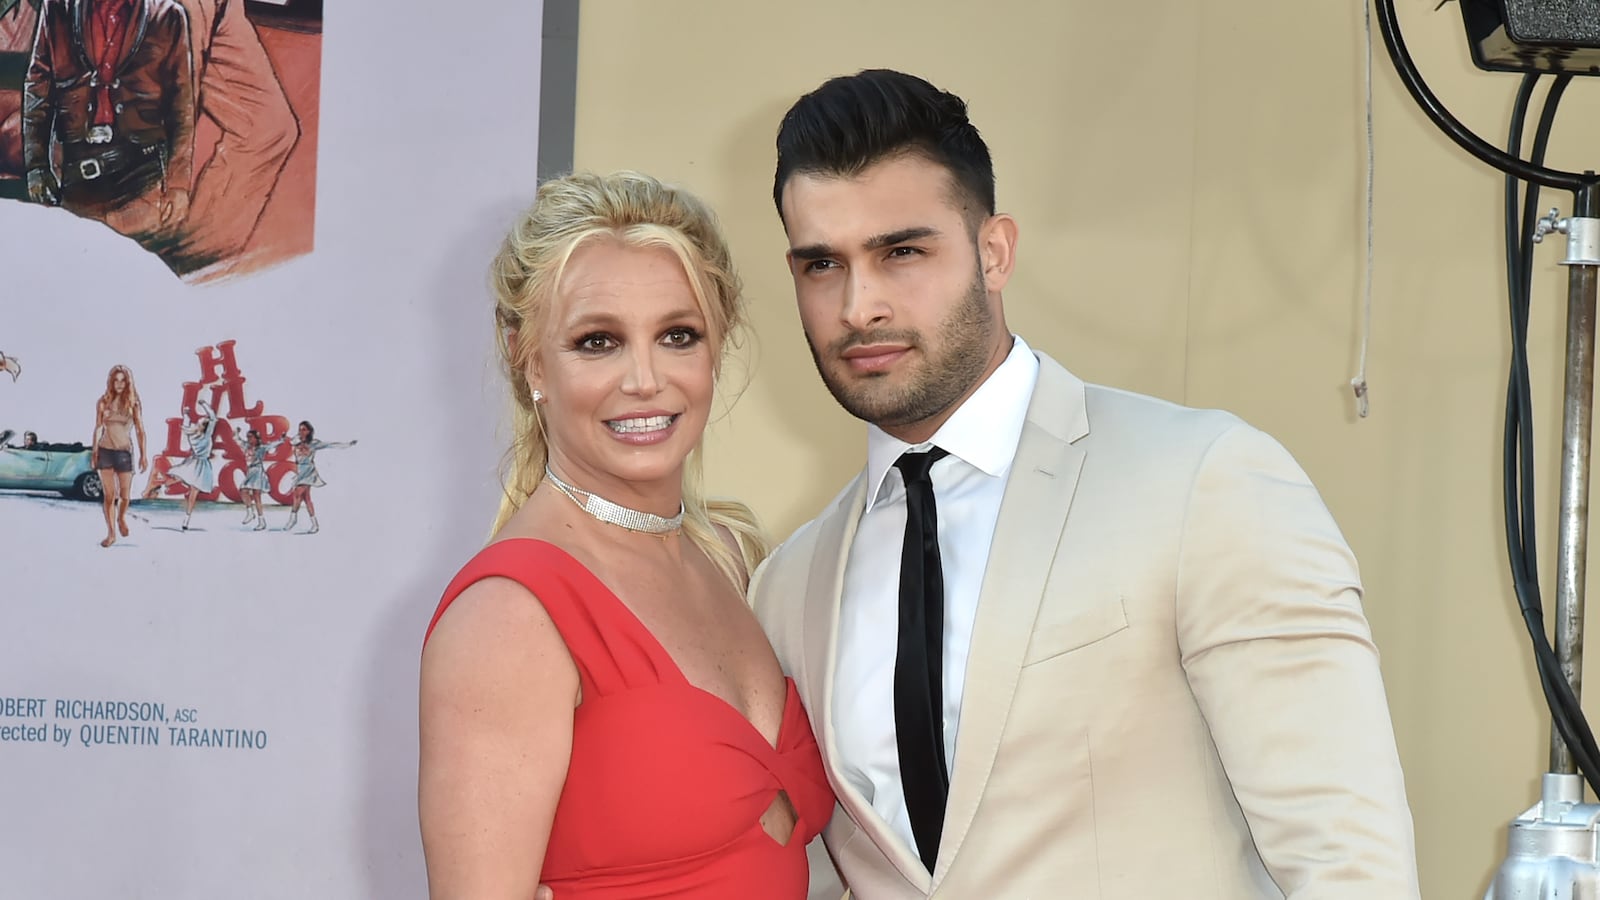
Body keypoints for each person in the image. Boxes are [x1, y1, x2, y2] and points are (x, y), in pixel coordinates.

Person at [749, 69, 1421, 898]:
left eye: (903, 252)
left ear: (994, 252)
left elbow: (1348, 860)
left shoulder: (1203, 480)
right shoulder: (787, 586)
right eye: (822, 264)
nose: (860, 305)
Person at [418, 171, 835, 899]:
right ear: (528, 358)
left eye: (678, 335)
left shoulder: (737, 560)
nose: (644, 380)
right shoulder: (507, 619)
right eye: (598, 341)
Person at [22, 0, 195, 248]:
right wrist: (36, 165)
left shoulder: (167, 16)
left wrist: (178, 185)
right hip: (77, 182)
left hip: (142, 179)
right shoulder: (58, 7)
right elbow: (39, 83)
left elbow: (182, 106)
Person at [91, 364, 147, 547]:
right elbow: (99, 428)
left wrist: (143, 454)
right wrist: (94, 452)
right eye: (116, 380)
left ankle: (121, 517)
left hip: (124, 451)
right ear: (111, 381)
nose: (119, 384)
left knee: (125, 495)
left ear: (128, 382)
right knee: (109, 495)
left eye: (123, 380)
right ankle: (111, 533)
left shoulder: (133, 403)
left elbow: (140, 430)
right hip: (105, 451)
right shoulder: (103, 401)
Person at [284, 420, 354, 534]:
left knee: (297, 493)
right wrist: (292, 438)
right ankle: (314, 524)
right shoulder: (296, 441)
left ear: (309, 431)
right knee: (306, 499)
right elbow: (290, 441)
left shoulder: (313, 443)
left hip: (308, 471)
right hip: (300, 470)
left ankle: (293, 519)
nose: (301, 431)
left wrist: (347, 445)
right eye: (300, 429)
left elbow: (329, 445)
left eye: (304, 429)